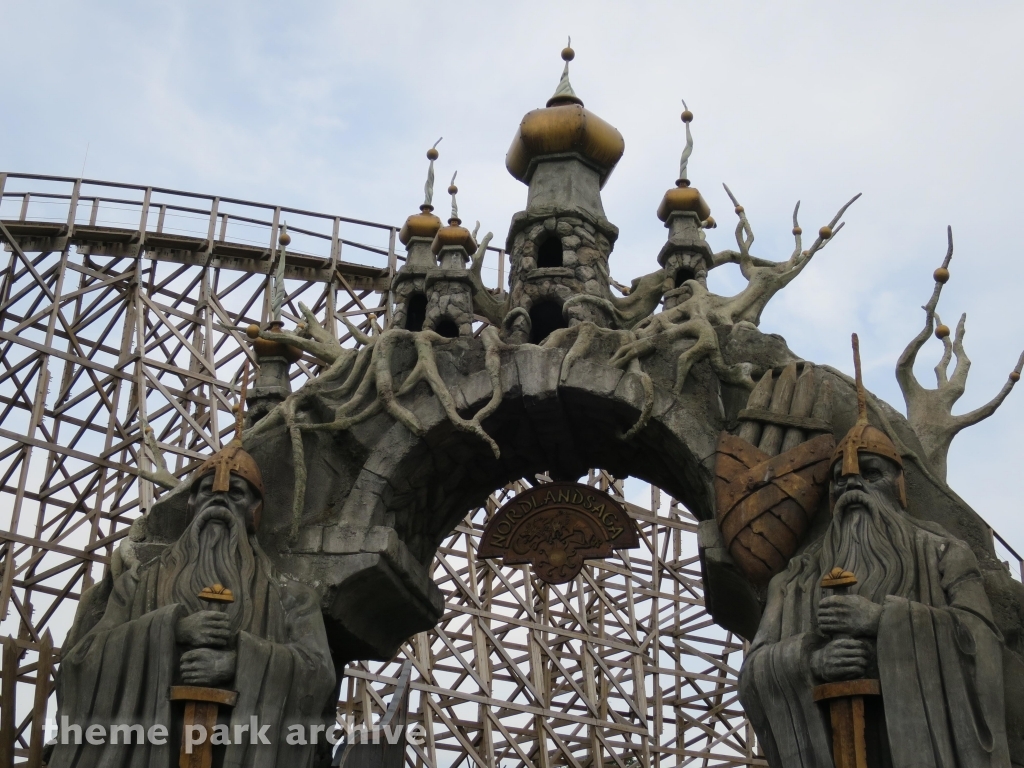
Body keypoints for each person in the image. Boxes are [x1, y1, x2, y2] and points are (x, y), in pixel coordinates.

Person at [739, 337, 1009, 768]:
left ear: (898, 485)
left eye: (870, 473)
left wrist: (885, 622)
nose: (851, 486)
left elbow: (982, 645)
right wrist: (811, 659)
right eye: (839, 481)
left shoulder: (944, 553)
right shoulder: (793, 580)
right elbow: (755, 670)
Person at [49, 426, 336, 767]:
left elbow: (318, 672)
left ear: (254, 511)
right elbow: (81, 660)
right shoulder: (138, 584)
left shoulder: (290, 596)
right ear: (191, 503)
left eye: (236, 493)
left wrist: (239, 663)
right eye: (206, 491)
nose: (219, 499)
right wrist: (170, 631)